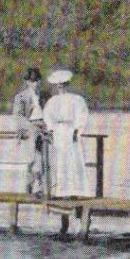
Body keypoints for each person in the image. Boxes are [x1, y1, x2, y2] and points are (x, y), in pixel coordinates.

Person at [41, 70, 92, 199]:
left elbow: (82, 115)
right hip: (58, 132)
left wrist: (77, 130)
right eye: (58, 84)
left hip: (71, 131)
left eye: (63, 84)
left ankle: (77, 190)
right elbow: (48, 116)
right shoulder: (52, 101)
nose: (61, 86)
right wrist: (51, 129)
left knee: (74, 160)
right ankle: (61, 191)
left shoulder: (76, 99)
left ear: (67, 84)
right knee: (60, 160)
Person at [11, 67, 47, 195]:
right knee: (35, 157)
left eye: (37, 80)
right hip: (29, 129)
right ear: (27, 82)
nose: (35, 83)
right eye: (32, 81)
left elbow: (49, 113)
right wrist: (32, 125)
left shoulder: (44, 96)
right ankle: (35, 186)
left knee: (40, 158)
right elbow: (18, 116)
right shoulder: (21, 97)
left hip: (43, 129)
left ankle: (34, 185)